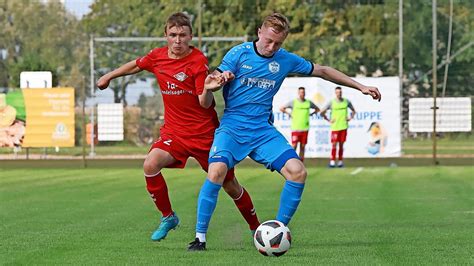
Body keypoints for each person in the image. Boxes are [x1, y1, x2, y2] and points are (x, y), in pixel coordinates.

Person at [187, 13, 381, 251]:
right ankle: (200, 238)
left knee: (298, 172)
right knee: (216, 171)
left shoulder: (285, 60)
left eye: (278, 43)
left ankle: (276, 233)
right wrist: (212, 87)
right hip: (233, 127)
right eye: (268, 40)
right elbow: (207, 100)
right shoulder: (238, 54)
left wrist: (361, 86)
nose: (272, 47)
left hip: (262, 131)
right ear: (259, 32)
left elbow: (323, 70)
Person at [96, 12, 260, 242]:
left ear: (191, 36)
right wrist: (109, 76)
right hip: (175, 133)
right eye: (173, 35)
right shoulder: (157, 56)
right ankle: (168, 217)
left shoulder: (197, 61)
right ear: (165, 35)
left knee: (230, 185)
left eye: (183, 35)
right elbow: (137, 65)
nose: (178, 40)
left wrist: (209, 89)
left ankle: (257, 228)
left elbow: (205, 103)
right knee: (150, 164)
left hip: (204, 135)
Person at [280, 87, 319, 161]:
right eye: (301, 92)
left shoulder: (308, 102)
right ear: (298, 93)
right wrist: (289, 113)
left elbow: (317, 109)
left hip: (305, 128)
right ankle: (292, 161)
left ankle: (301, 162)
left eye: (303, 92)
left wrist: (311, 114)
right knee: (294, 146)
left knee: (303, 146)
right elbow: (282, 108)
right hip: (296, 128)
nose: (302, 94)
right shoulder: (294, 102)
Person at [320, 86, 356, 168]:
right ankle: (332, 161)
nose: (339, 94)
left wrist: (350, 118)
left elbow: (353, 111)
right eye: (337, 92)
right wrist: (328, 120)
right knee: (334, 145)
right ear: (335, 93)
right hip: (335, 127)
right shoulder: (331, 102)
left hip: (343, 126)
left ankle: (340, 162)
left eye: (340, 92)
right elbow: (322, 112)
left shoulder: (346, 102)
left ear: (341, 93)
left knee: (341, 145)